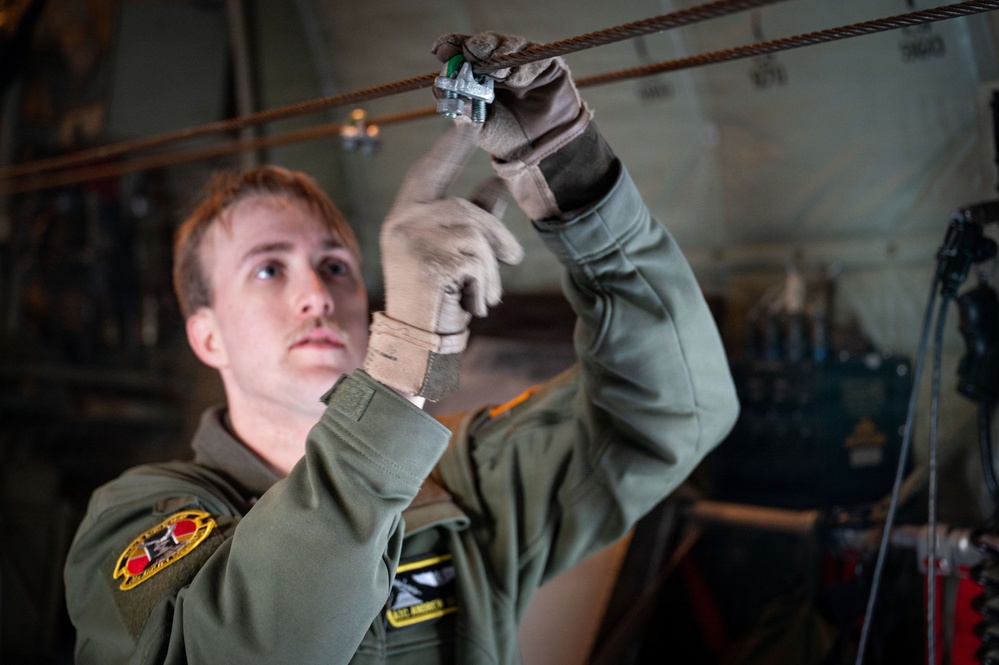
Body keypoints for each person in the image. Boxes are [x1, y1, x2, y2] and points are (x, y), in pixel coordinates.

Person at [63, 31, 739, 664]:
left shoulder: (461, 478)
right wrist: (401, 362)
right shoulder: (142, 517)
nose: (316, 295)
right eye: (268, 270)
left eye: (335, 266)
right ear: (206, 335)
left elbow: (676, 413)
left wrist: (575, 181)